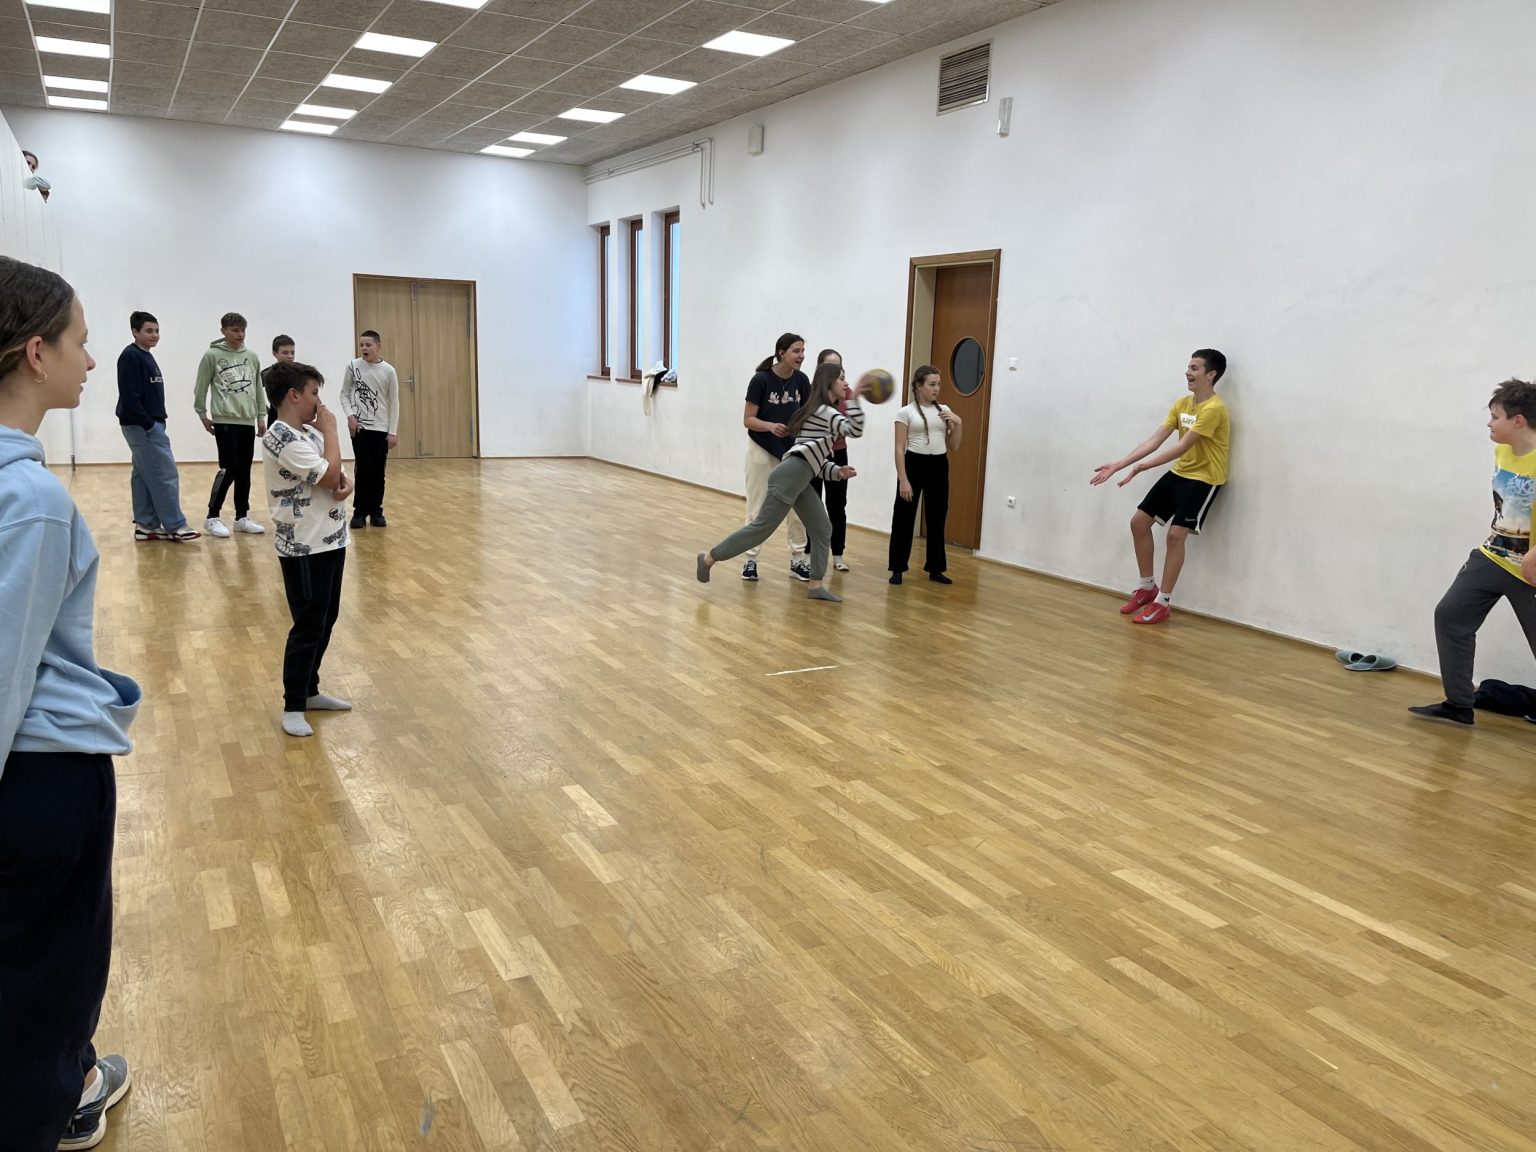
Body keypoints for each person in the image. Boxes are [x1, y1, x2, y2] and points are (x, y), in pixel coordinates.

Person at [0, 256, 138, 1151]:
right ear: (36, 352)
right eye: (80, 342)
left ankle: (70, 1077)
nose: (91, 361)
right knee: (45, 981)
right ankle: (49, 1110)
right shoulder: (31, 502)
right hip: (42, 782)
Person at [1411, 379, 1536, 726]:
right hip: (1493, 556)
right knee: (1450, 616)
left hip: (1530, 570)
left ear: (1518, 421)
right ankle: (1458, 705)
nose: (1489, 423)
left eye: (1495, 417)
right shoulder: (1503, 452)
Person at [698, 362, 865, 602]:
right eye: (841, 378)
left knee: (822, 528)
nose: (846, 383)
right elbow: (855, 430)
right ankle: (708, 558)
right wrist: (855, 398)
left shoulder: (820, 413)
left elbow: (810, 458)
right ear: (829, 383)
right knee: (760, 529)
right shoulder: (825, 412)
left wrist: (837, 471)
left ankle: (816, 585)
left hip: (798, 477)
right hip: (790, 476)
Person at [1090, 348, 1230, 624]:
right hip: (1180, 473)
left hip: (1205, 479)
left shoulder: (1214, 409)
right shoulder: (1182, 404)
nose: (1187, 372)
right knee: (1139, 523)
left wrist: (1143, 467)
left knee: (1175, 536)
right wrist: (1119, 464)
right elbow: (1155, 441)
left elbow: (1182, 446)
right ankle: (1147, 588)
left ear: (1211, 374)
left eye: (1194, 368)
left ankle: (1163, 602)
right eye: (1188, 367)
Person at [263, 360, 354, 738]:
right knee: (307, 625)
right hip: (303, 545)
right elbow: (330, 474)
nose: (320, 401)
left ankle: (310, 690)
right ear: (294, 395)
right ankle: (293, 705)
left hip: (331, 538)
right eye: (314, 392)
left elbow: (339, 476)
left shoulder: (308, 434)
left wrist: (344, 483)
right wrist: (332, 431)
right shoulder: (281, 437)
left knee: (326, 618)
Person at [117, 310, 198, 542]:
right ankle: (176, 525)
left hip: (147, 425)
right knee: (164, 475)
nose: (155, 335)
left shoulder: (145, 356)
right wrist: (149, 424)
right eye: (149, 331)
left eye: (157, 331)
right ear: (135, 331)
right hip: (143, 427)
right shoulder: (131, 356)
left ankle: (146, 525)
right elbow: (130, 397)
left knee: (143, 476)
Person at [741, 333, 811, 581]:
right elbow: (748, 419)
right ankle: (750, 560)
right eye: (796, 351)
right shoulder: (760, 380)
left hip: (792, 452)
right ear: (782, 353)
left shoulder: (802, 380)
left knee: (797, 508)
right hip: (762, 448)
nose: (801, 356)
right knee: (758, 506)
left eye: (803, 351)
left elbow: (808, 415)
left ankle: (798, 560)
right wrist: (770, 426)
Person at [888, 364, 962, 586]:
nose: (936, 388)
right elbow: (899, 448)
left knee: (937, 518)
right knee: (904, 518)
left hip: (939, 464)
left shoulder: (944, 410)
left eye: (938, 384)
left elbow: (953, 445)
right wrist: (903, 479)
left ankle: (936, 568)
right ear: (918, 386)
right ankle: (898, 568)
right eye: (932, 384)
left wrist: (958, 423)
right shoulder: (906, 412)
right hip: (914, 464)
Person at [194, 311, 265, 539]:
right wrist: (202, 414)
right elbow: (201, 387)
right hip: (224, 421)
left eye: (243, 330)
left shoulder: (252, 356)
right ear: (223, 331)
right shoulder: (212, 355)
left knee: (244, 470)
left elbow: (257, 388)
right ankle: (212, 516)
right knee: (229, 469)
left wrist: (261, 416)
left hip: (247, 422)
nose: (240, 334)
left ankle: (241, 517)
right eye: (235, 330)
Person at [339, 329, 399, 530]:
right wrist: (350, 416)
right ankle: (359, 513)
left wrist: (392, 431)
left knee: (378, 472)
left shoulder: (388, 371)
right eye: (361, 345)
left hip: (381, 428)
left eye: (368, 345)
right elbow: (344, 394)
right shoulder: (352, 366)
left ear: (378, 346)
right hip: (360, 428)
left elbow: (394, 403)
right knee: (363, 470)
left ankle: (376, 511)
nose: (364, 348)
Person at [809, 348, 852, 571]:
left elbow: (850, 425)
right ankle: (809, 554)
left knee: (837, 505)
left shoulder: (846, 392)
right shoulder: (810, 392)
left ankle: (838, 554)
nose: (836, 371)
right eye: (831, 366)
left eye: (839, 367)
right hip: (813, 454)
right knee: (811, 504)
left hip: (838, 453)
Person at [264, 333, 295, 427]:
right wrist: (263, 409)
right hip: (275, 418)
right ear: (275, 353)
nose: (290, 356)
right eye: (285, 353)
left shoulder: (300, 373)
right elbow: (253, 391)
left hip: (296, 418)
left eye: (292, 353)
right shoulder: (267, 374)